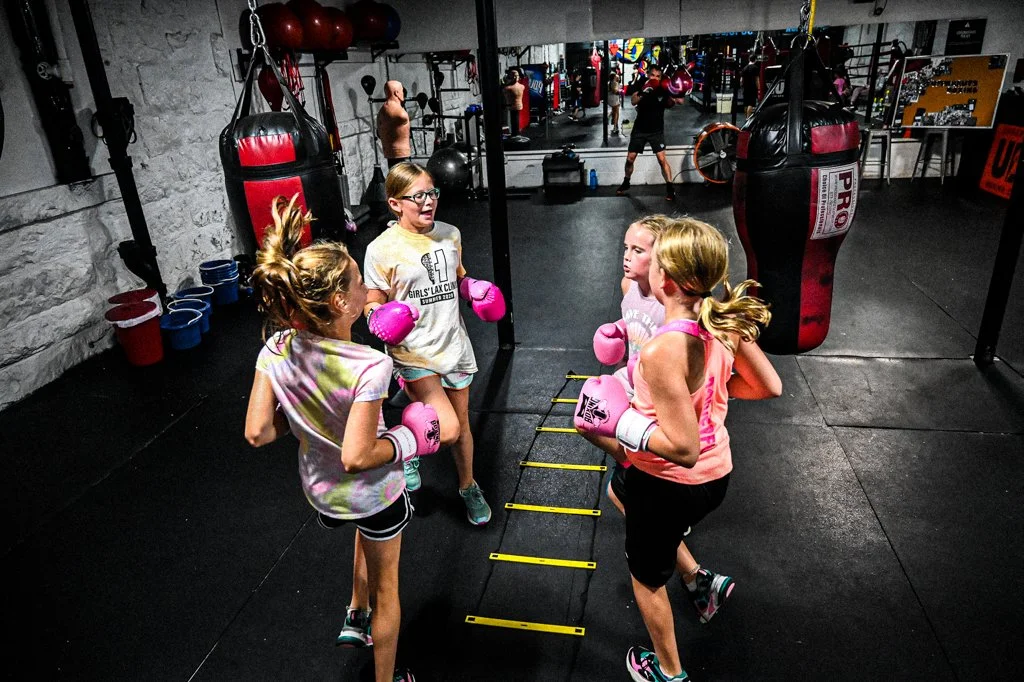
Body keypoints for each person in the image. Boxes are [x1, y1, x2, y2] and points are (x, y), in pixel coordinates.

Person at [574, 217, 782, 682]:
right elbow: (770, 386)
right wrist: (707, 401)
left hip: (671, 482)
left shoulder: (662, 351)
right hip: (717, 473)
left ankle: (669, 672)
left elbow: (682, 449)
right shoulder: (720, 319)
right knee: (619, 493)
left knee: (646, 579)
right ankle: (699, 581)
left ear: (664, 278)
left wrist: (615, 420)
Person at [244, 195, 442, 682]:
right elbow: (358, 455)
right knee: (389, 591)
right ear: (339, 303)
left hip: (321, 491)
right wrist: (407, 439)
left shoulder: (277, 346)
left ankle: (354, 613)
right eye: (359, 283)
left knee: (362, 538)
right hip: (371, 493)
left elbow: (258, 432)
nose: (366, 288)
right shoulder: (370, 365)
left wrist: (310, 419)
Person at [362, 162, 506, 526]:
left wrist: (472, 290)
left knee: (462, 428)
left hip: (454, 344)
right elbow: (372, 299)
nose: (429, 202)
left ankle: (468, 486)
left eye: (433, 193)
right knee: (449, 428)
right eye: (419, 196)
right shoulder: (381, 248)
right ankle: (407, 446)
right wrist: (378, 317)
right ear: (395, 204)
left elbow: (458, 278)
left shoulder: (450, 234)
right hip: (413, 352)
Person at [616, 63, 686, 201]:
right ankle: (626, 182)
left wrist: (679, 89)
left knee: (661, 159)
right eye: (652, 75)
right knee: (630, 159)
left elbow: (680, 101)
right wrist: (644, 92)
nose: (655, 78)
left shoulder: (664, 87)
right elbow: (633, 101)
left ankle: (670, 188)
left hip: (656, 130)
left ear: (661, 77)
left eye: (658, 76)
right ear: (648, 74)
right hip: (640, 128)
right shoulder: (641, 83)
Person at [377, 80, 411, 168]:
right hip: (399, 152)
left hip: (392, 151)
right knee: (401, 177)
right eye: (402, 91)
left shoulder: (383, 109)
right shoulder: (399, 113)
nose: (403, 93)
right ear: (396, 93)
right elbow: (402, 117)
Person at [503, 68, 526, 136]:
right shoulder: (522, 86)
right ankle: (516, 133)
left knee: (513, 121)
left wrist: (506, 81)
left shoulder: (507, 88)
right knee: (516, 120)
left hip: (511, 106)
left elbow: (503, 90)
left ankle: (514, 133)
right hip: (519, 105)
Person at [608, 69, 623, 135]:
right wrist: (620, 92)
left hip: (610, 98)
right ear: (614, 77)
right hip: (614, 98)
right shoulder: (614, 83)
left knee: (614, 111)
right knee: (616, 112)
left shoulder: (609, 82)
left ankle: (613, 121)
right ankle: (615, 126)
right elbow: (615, 91)